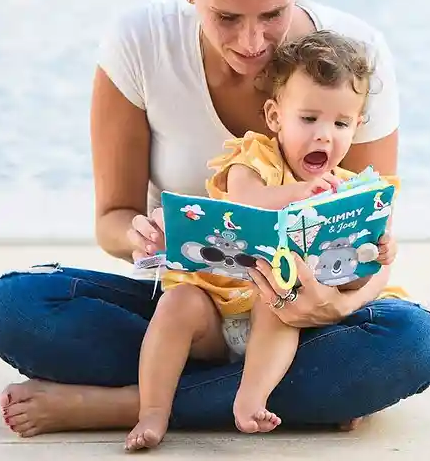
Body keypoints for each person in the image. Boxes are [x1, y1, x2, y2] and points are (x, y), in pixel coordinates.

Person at [0, 0, 430, 439]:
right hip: (190, 307)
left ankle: (123, 404)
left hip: (305, 323)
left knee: (416, 342)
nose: (251, 43)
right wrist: (141, 235)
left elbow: (370, 239)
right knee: (16, 307)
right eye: (226, 17)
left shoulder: (355, 59)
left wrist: (336, 304)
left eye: (272, 15)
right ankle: (292, 397)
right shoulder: (140, 41)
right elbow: (112, 219)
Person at [125, 30, 405, 451]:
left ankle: (249, 400)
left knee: (288, 300)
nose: (324, 135)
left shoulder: (352, 193)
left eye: (341, 123)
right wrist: (299, 195)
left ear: (357, 126)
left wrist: (379, 253)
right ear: (275, 117)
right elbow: (248, 200)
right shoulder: (253, 159)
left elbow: (358, 277)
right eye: (308, 119)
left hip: (289, 326)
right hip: (217, 316)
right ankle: (152, 411)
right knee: (175, 303)